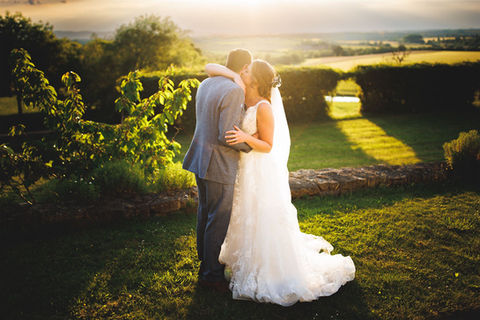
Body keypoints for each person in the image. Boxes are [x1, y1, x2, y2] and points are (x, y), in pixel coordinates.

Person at [204, 59, 356, 306]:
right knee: (244, 213)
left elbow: (268, 145)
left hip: (259, 170)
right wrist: (234, 75)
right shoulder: (241, 90)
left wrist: (245, 137)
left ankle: (271, 269)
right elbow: (211, 67)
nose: (244, 70)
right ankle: (246, 263)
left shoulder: (264, 106)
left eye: (247, 70)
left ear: (257, 79)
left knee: (262, 215)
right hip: (244, 168)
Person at [182, 49, 253, 293]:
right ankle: (211, 275)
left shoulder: (206, 84)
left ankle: (205, 265)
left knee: (205, 213)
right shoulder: (233, 91)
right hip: (219, 163)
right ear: (244, 68)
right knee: (217, 218)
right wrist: (251, 145)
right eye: (248, 69)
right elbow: (227, 136)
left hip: (199, 159)